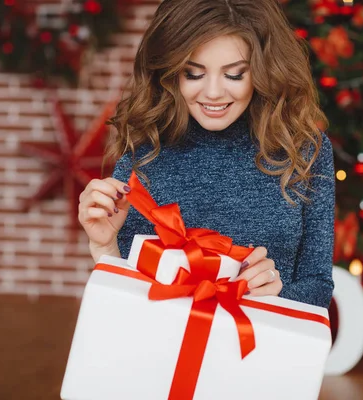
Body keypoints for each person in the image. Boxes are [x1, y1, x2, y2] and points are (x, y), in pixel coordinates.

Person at [77, 0, 335, 308]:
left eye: (235, 75)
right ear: (170, 72)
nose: (213, 92)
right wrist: (104, 247)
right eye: (193, 74)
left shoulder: (306, 150)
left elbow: (318, 286)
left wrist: (273, 297)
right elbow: (124, 304)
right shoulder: (146, 149)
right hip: (160, 351)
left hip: (259, 350)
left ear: (264, 70)